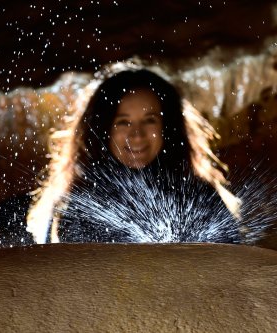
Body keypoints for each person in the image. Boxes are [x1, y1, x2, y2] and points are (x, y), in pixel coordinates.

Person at [26, 64, 241, 244]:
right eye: (123, 122)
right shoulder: (79, 203)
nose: (137, 135)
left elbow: (233, 268)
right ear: (103, 130)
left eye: (150, 120)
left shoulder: (199, 195)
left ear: (168, 128)